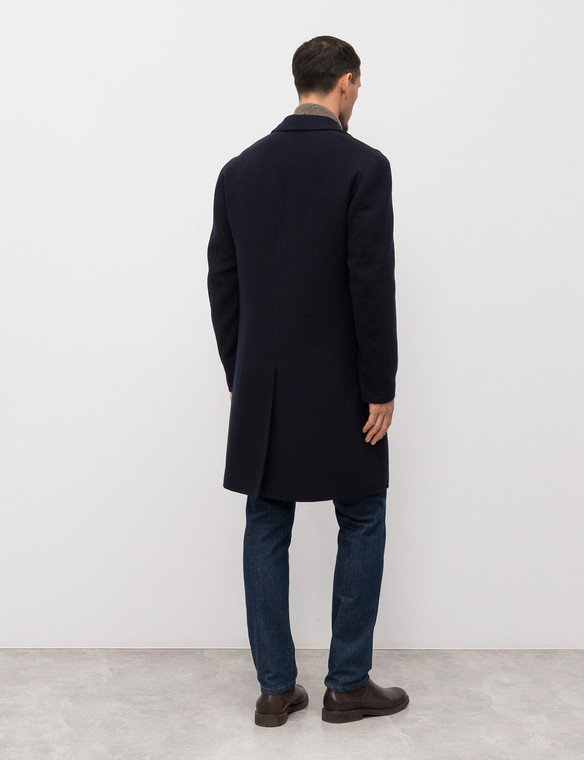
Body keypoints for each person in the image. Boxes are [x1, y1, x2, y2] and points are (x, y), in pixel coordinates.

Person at [207, 35, 408, 727]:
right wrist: (380, 384)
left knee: (266, 520)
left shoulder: (239, 171)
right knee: (364, 515)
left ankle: (274, 690)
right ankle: (346, 685)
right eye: (358, 87)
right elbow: (369, 283)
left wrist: (239, 371)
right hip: (343, 386)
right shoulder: (364, 167)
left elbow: (223, 281)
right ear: (345, 83)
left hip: (262, 386)